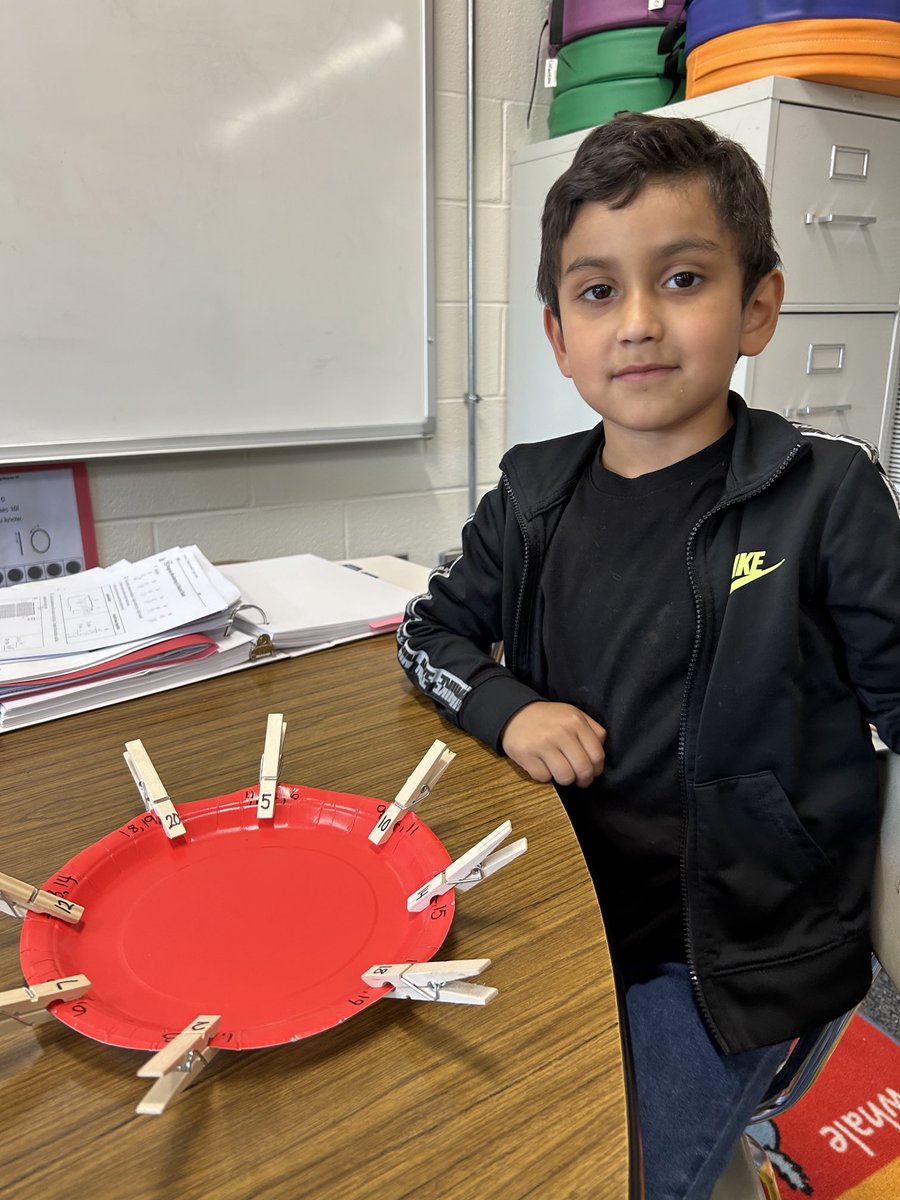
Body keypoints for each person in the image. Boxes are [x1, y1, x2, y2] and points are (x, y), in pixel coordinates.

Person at [397, 111, 900, 1197]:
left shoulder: (828, 493)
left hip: (738, 951)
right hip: (565, 901)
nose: (636, 323)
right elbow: (423, 632)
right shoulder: (531, 494)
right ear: (557, 336)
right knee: (450, 1129)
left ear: (757, 306)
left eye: (681, 280)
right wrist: (503, 707)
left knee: (616, 1174)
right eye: (597, 292)